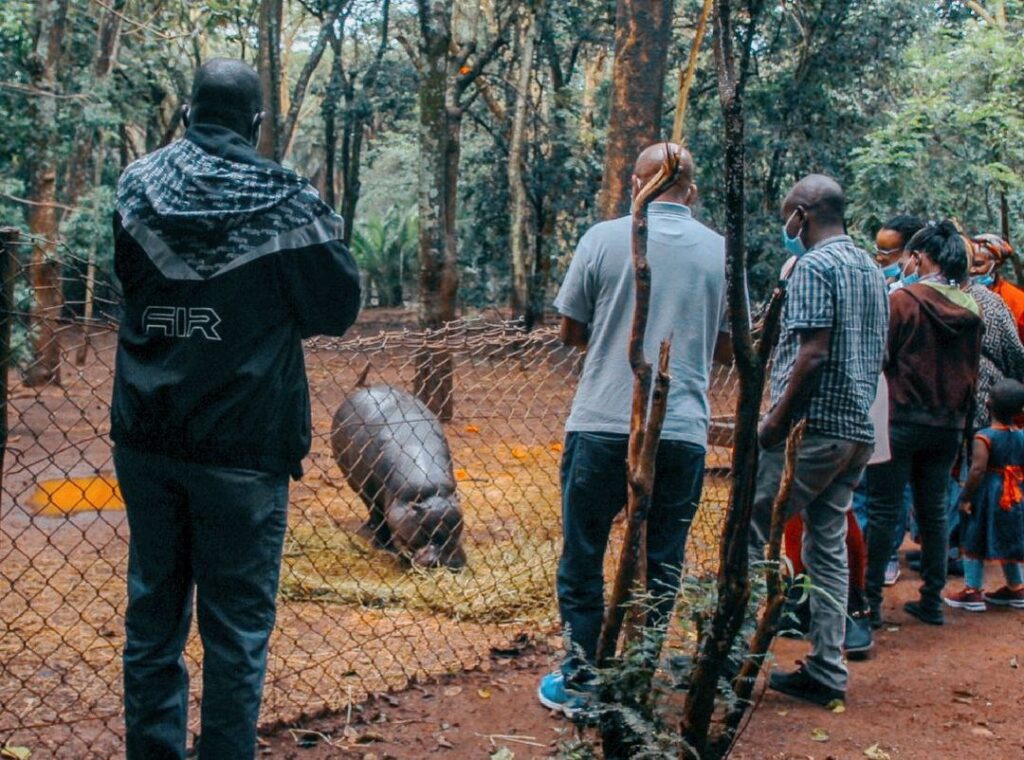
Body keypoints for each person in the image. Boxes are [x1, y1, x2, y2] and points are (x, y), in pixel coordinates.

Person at [112, 59, 361, 759]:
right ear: (256, 124)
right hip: (244, 446)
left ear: (188, 114)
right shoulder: (286, 199)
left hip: (147, 435)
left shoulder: (136, 187)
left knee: (152, 617)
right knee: (237, 630)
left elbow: (128, 281)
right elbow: (337, 307)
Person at [538, 142, 730, 715]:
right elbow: (725, 346)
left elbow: (570, 330)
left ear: (635, 183)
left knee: (583, 551)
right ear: (691, 190)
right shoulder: (722, 251)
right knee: (665, 554)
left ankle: (582, 675)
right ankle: (641, 668)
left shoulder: (602, 238)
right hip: (683, 428)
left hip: (603, 419)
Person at [749, 175, 888, 708]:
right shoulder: (870, 271)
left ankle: (733, 658)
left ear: (803, 214)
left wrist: (774, 424)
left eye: (788, 215)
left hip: (812, 431)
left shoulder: (813, 266)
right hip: (856, 432)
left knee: (750, 529)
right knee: (826, 543)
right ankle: (827, 668)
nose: (786, 226)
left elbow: (812, 354)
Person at [865, 221, 983, 629]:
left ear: (919, 257)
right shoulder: (971, 308)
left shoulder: (903, 301)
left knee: (882, 510)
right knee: (933, 513)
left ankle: (870, 603)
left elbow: (882, 358)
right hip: (948, 425)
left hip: (899, 419)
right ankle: (931, 600)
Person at [944, 379, 1024, 611]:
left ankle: (972, 590)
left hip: (988, 495)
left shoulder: (984, 437)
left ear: (987, 404)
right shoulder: (1021, 436)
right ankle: (1016, 586)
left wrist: (966, 497)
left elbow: (978, 469)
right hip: (1015, 495)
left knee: (973, 537)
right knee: (1008, 539)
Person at [972, 234, 1024, 341]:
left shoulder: (1017, 302)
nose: (971, 270)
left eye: (978, 264)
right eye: (967, 263)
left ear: (996, 264)